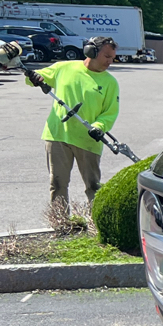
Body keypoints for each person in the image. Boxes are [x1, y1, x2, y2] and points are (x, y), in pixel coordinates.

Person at [27, 34, 120, 211]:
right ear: (91, 52)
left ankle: (96, 224)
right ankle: (61, 224)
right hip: (57, 135)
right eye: (107, 57)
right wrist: (33, 77)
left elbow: (110, 112)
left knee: (93, 186)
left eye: (112, 58)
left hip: (88, 139)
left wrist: (99, 127)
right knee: (58, 183)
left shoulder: (110, 82)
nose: (110, 62)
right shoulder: (64, 68)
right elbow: (37, 77)